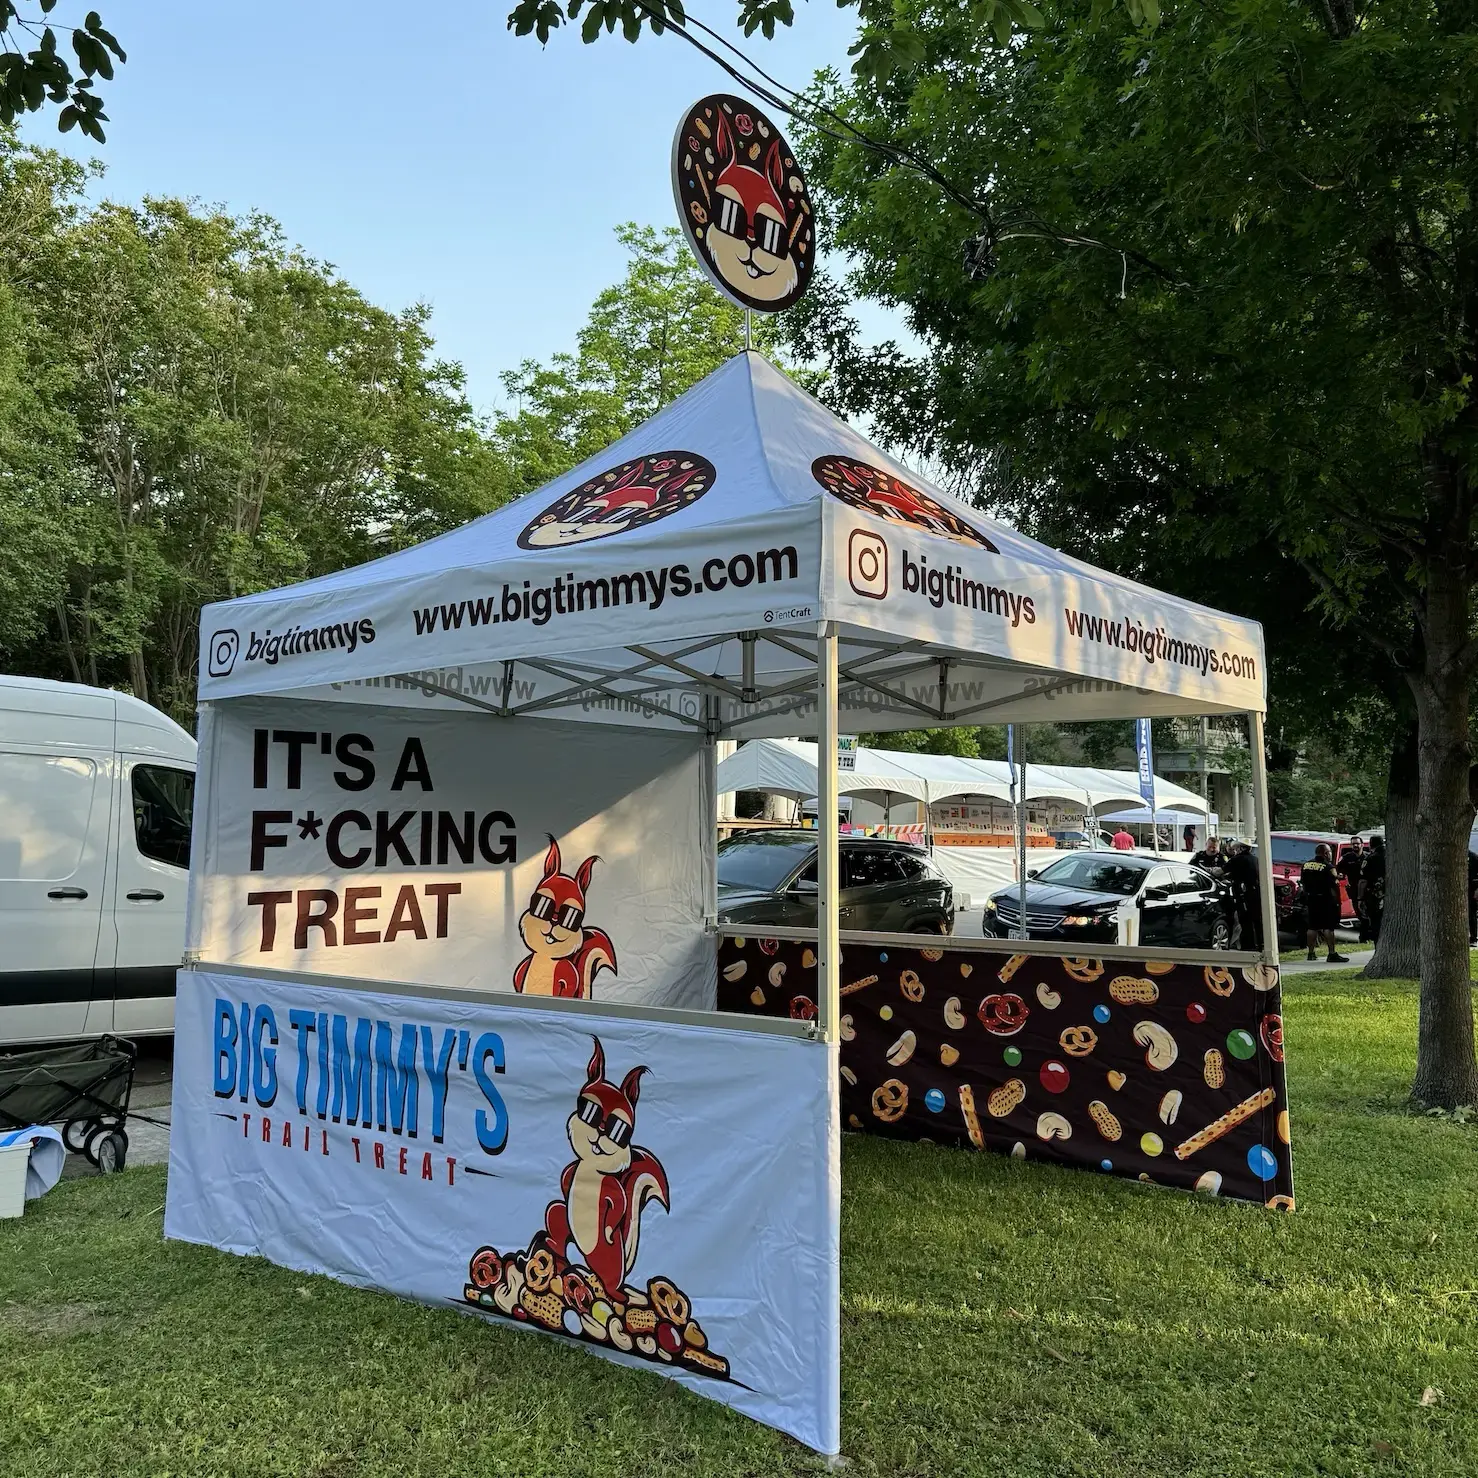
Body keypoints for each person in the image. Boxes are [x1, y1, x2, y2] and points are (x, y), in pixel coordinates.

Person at [1299, 843, 1348, 963]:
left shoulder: (1306, 865)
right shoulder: (1329, 867)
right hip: (1326, 901)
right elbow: (1334, 884)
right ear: (1326, 853)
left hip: (1311, 900)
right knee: (1328, 927)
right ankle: (1332, 953)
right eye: (1329, 852)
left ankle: (1311, 953)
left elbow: (1303, 882)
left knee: (1312, 927)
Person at [1225, 841, 1262, 952]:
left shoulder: (1236, 860)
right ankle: (1259, 944)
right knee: (1256, 920)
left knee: (1245, 920)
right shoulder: (1255, 860)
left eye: (1236, 848)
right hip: (1256, 893)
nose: (1234, 851)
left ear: (1241, 848)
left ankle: (1248, 946)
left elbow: (1219, 871)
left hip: (1242, 894)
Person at [1336, 837, 1365, 941]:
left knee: (1368, 913)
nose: (1355, 846)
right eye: (1353, 844)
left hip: (1367, 890)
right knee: (1359, 913)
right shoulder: (1347, 858)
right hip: (1353, 890)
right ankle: (1363, 937)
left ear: (1362, 844)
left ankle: (1369, 935)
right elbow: (1338, 870)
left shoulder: (1367, 857)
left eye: (1357, 843)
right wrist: (1341, 876)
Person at [1362, 834, 1386, 942]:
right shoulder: (1392, 855)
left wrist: (1360, 898)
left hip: (1375, 895)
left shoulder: (1370, 858)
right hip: (1391, 893)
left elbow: (1363, 879)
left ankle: (1377, 944)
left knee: (1376, 921)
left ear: (1371, 844)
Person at [1468, 849, 1478, 945]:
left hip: (1471, 889)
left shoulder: (1473, 857)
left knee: (1471, 914)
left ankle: (1473, 937)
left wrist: (1476, 891)